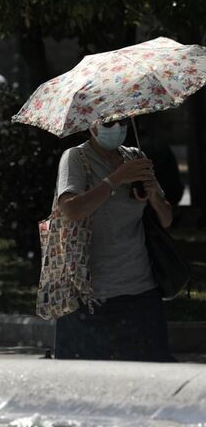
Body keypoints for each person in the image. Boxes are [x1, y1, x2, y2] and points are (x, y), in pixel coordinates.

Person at [53, 118, 175, 362]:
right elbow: (72, 210)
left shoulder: (135, 156)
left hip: (141, 290)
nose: (117, 128)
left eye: (122, 122)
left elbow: (167, 219)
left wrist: (153, 196)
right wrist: (116, 179)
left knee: (150, 380)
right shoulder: (76, 158)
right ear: (92, 126)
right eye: (108, 123)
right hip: (89, 294)